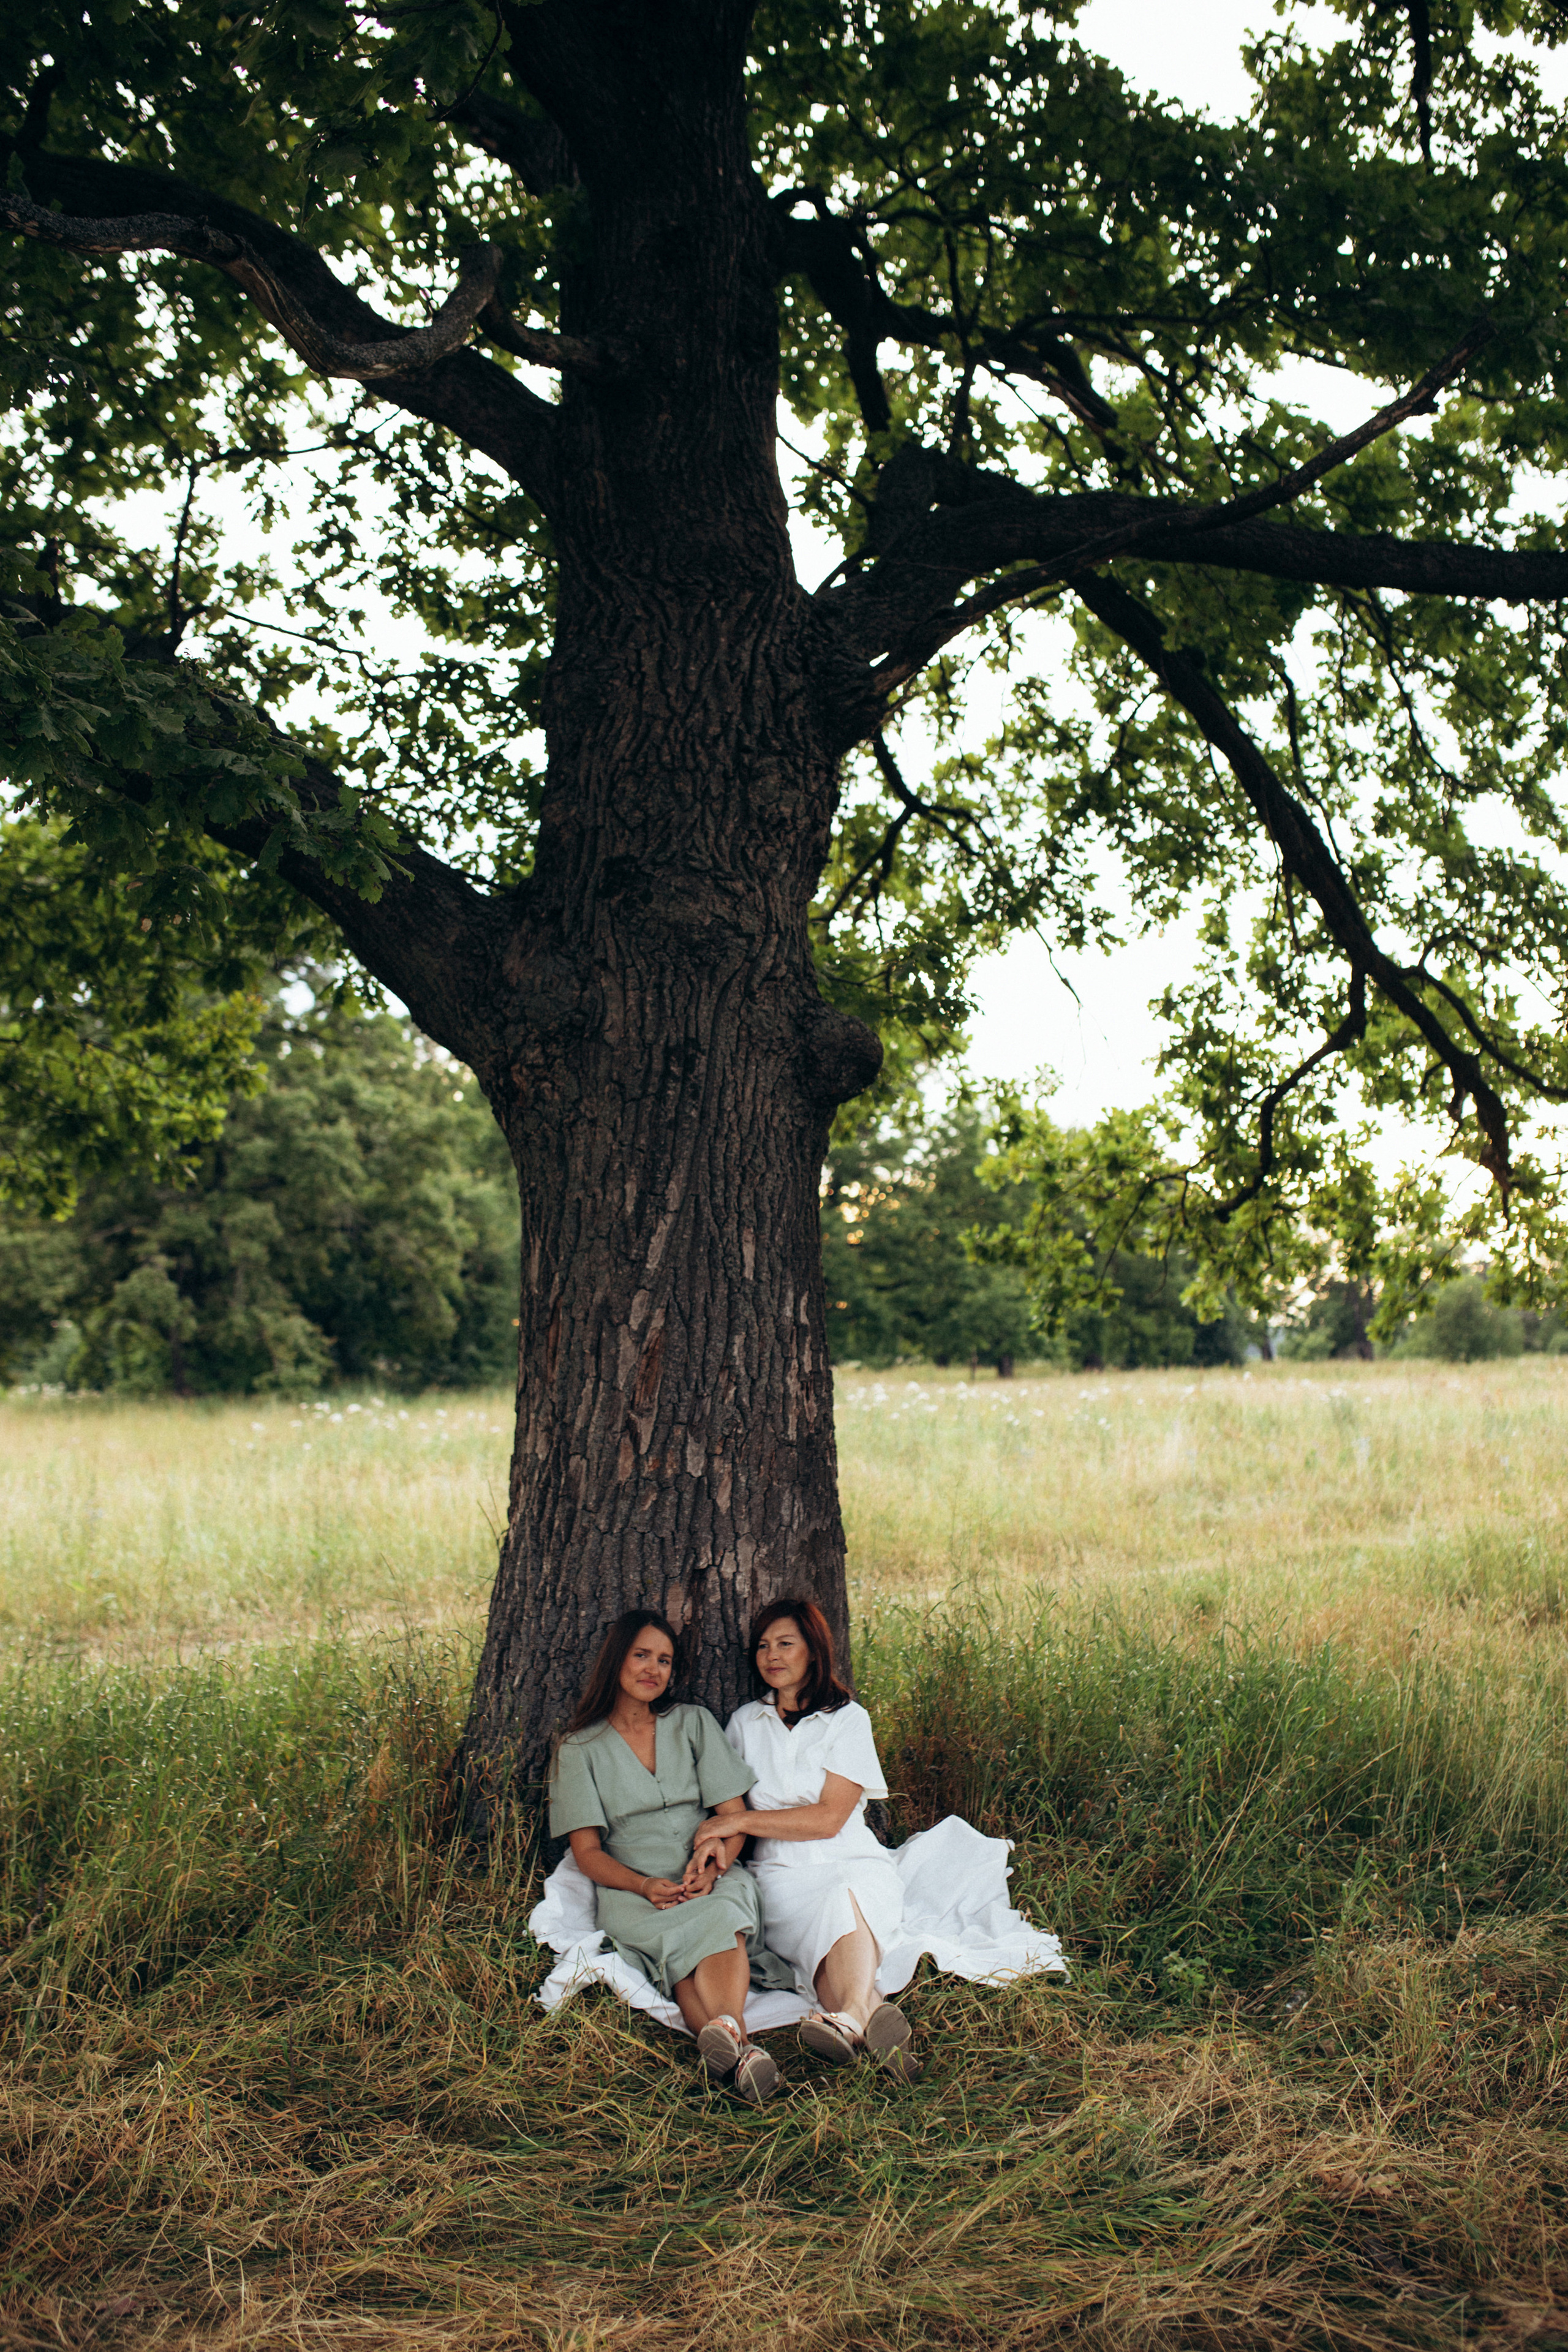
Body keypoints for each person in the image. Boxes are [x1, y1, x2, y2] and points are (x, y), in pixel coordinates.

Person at [546, 1608, 794, 2104]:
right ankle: (740, 2047)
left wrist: (716, 1867)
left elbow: (734, 1817)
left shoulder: (692, 1723)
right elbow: (587, 1853)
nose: (653, 1669)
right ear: (616, 1659)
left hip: (706, 1870)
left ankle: (731, 2045)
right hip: (632, 1888)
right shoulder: (579, 1748)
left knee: (719, 1914)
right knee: (676, 1950)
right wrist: (642, 1885)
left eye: (664, 1660)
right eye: (641, 1655)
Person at [693, 1597, 919, 2082]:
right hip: (780, 1874)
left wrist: (743, 1821)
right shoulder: (744, 1723)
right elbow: (727, 1806)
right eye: (763, 1646)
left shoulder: (848, 1719)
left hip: (853, 1857)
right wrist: (721, 1838)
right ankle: (863, 2017)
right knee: (827, 1933)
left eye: (785, 1644)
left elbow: (830, 1818)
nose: (772, 1656)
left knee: (845, 1894)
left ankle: (850, 2016)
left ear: (813, 1650)